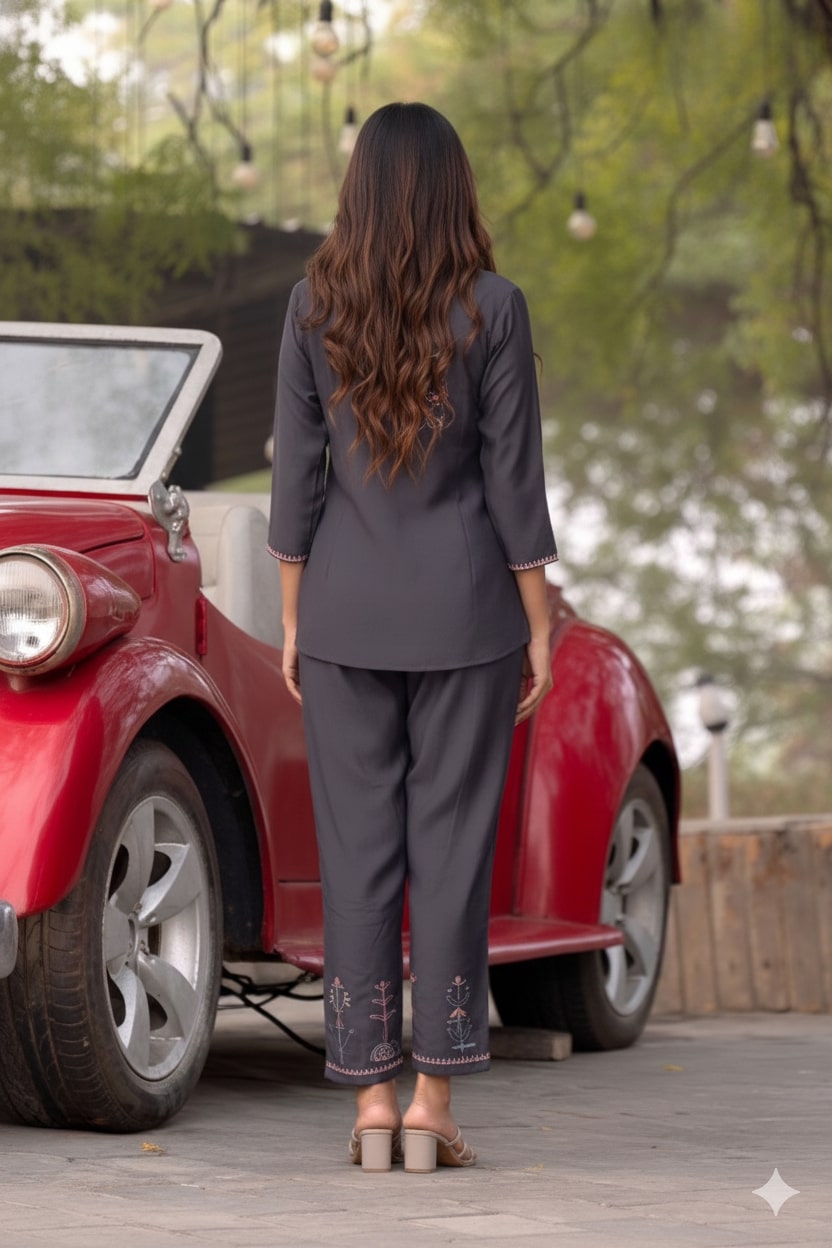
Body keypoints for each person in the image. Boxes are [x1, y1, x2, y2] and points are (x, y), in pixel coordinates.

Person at [267, 101, 557, 1173]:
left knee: (358, 863)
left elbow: (295, 484)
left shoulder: (310, 308)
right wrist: (538, 625)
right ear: (452, 190)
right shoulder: (495, 307)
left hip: (343, 615)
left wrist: (294, 619)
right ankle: (434, 1103)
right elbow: (512, 486)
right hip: (468, 614)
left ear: (359, 189)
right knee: (448, 858)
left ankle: (369, 1108)